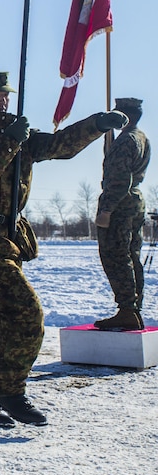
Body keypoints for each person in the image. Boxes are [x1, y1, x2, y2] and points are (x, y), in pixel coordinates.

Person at [0, 70, 125, 428]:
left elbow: (60, 146)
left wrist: (96, 123)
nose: (3, 99)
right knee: (26, 311)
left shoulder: (18, 132)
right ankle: (11, 392)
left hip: (9, 235)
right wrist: (9, 142)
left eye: (6, 93)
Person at [94, 97, 150, 331]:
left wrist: (106, 209)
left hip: (120, 203)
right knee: (131, 254)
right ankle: (133, 308)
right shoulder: (140, 136)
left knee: (116, 255)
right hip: (134, 200)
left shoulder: (126, 140)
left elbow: (119, 179)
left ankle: (127, 309)